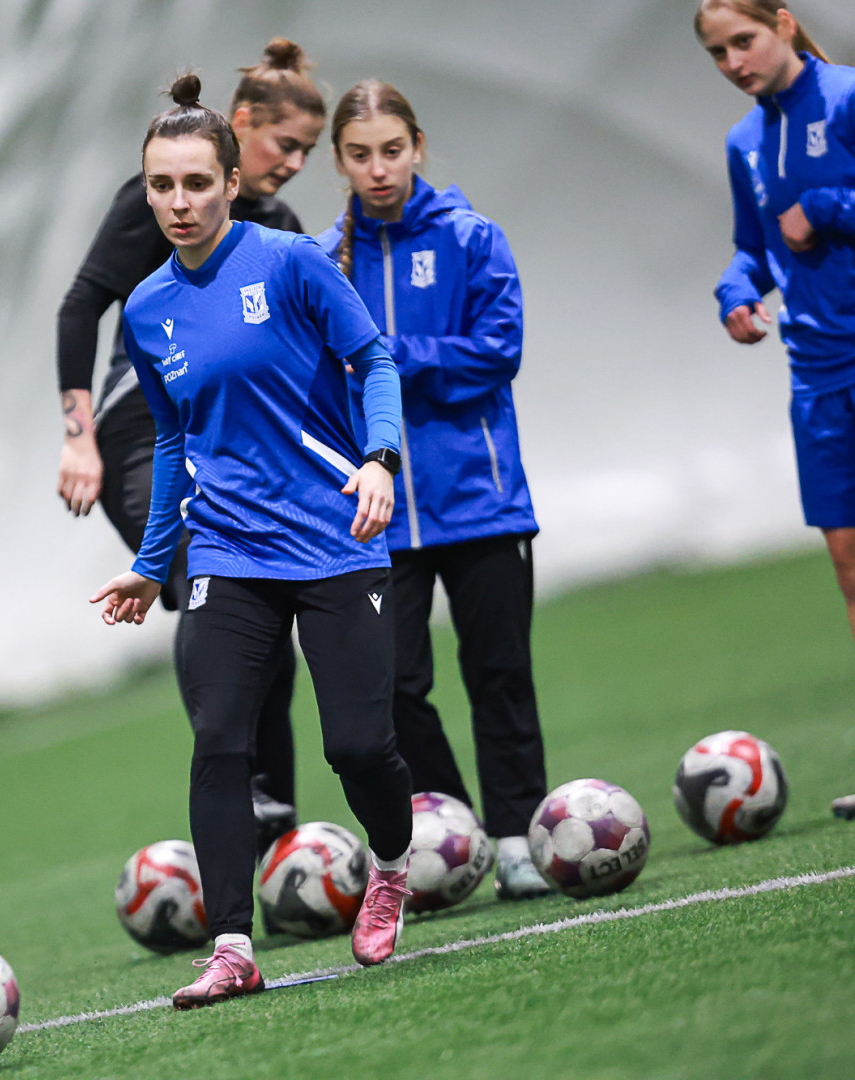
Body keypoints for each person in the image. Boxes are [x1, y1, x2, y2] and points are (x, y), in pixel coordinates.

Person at [92, 75, 415, 1008]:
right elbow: (174, 441)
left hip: (334, 534)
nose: (179, 202)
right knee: (219, 740)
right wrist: (151, 565)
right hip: (227, 549)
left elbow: (373, 360)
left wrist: (381, 460)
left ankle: (391, 866)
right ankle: (231, 945)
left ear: (232, 183)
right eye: (162, 185)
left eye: (197, 183)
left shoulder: (291, 263)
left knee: (358, 748)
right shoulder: (146, 309)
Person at [57, 40, 327, 851]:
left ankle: (273, 811)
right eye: (285, 144)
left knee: (265, 613)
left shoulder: (281, 231)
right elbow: (81, 304)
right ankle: (233, 783)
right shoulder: (161, 199)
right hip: (140, 433)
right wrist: (77, 439)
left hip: (235, 444)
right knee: (210, 585)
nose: (295, 164)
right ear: (240, 127)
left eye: (309, 151)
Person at [317, 82, 551, 898]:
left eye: (392, 150)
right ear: (338, 161)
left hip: (482, 500)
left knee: (499, 675)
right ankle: (457, 830)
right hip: (376, 516)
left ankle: (518, 839)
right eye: (360, 154)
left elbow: (498, 351)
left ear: (417, 146)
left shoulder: (470, 238)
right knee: (392, 690)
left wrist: (387, 355)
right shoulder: (322, 261)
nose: (378, 169)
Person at [697, 1, 855, 818]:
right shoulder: (744, 142)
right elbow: (756, 247)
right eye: (718, 52)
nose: (734, 62)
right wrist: (735, 290)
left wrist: (830, 208)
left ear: (785, 25)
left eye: (744, 41)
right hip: (817, 374)